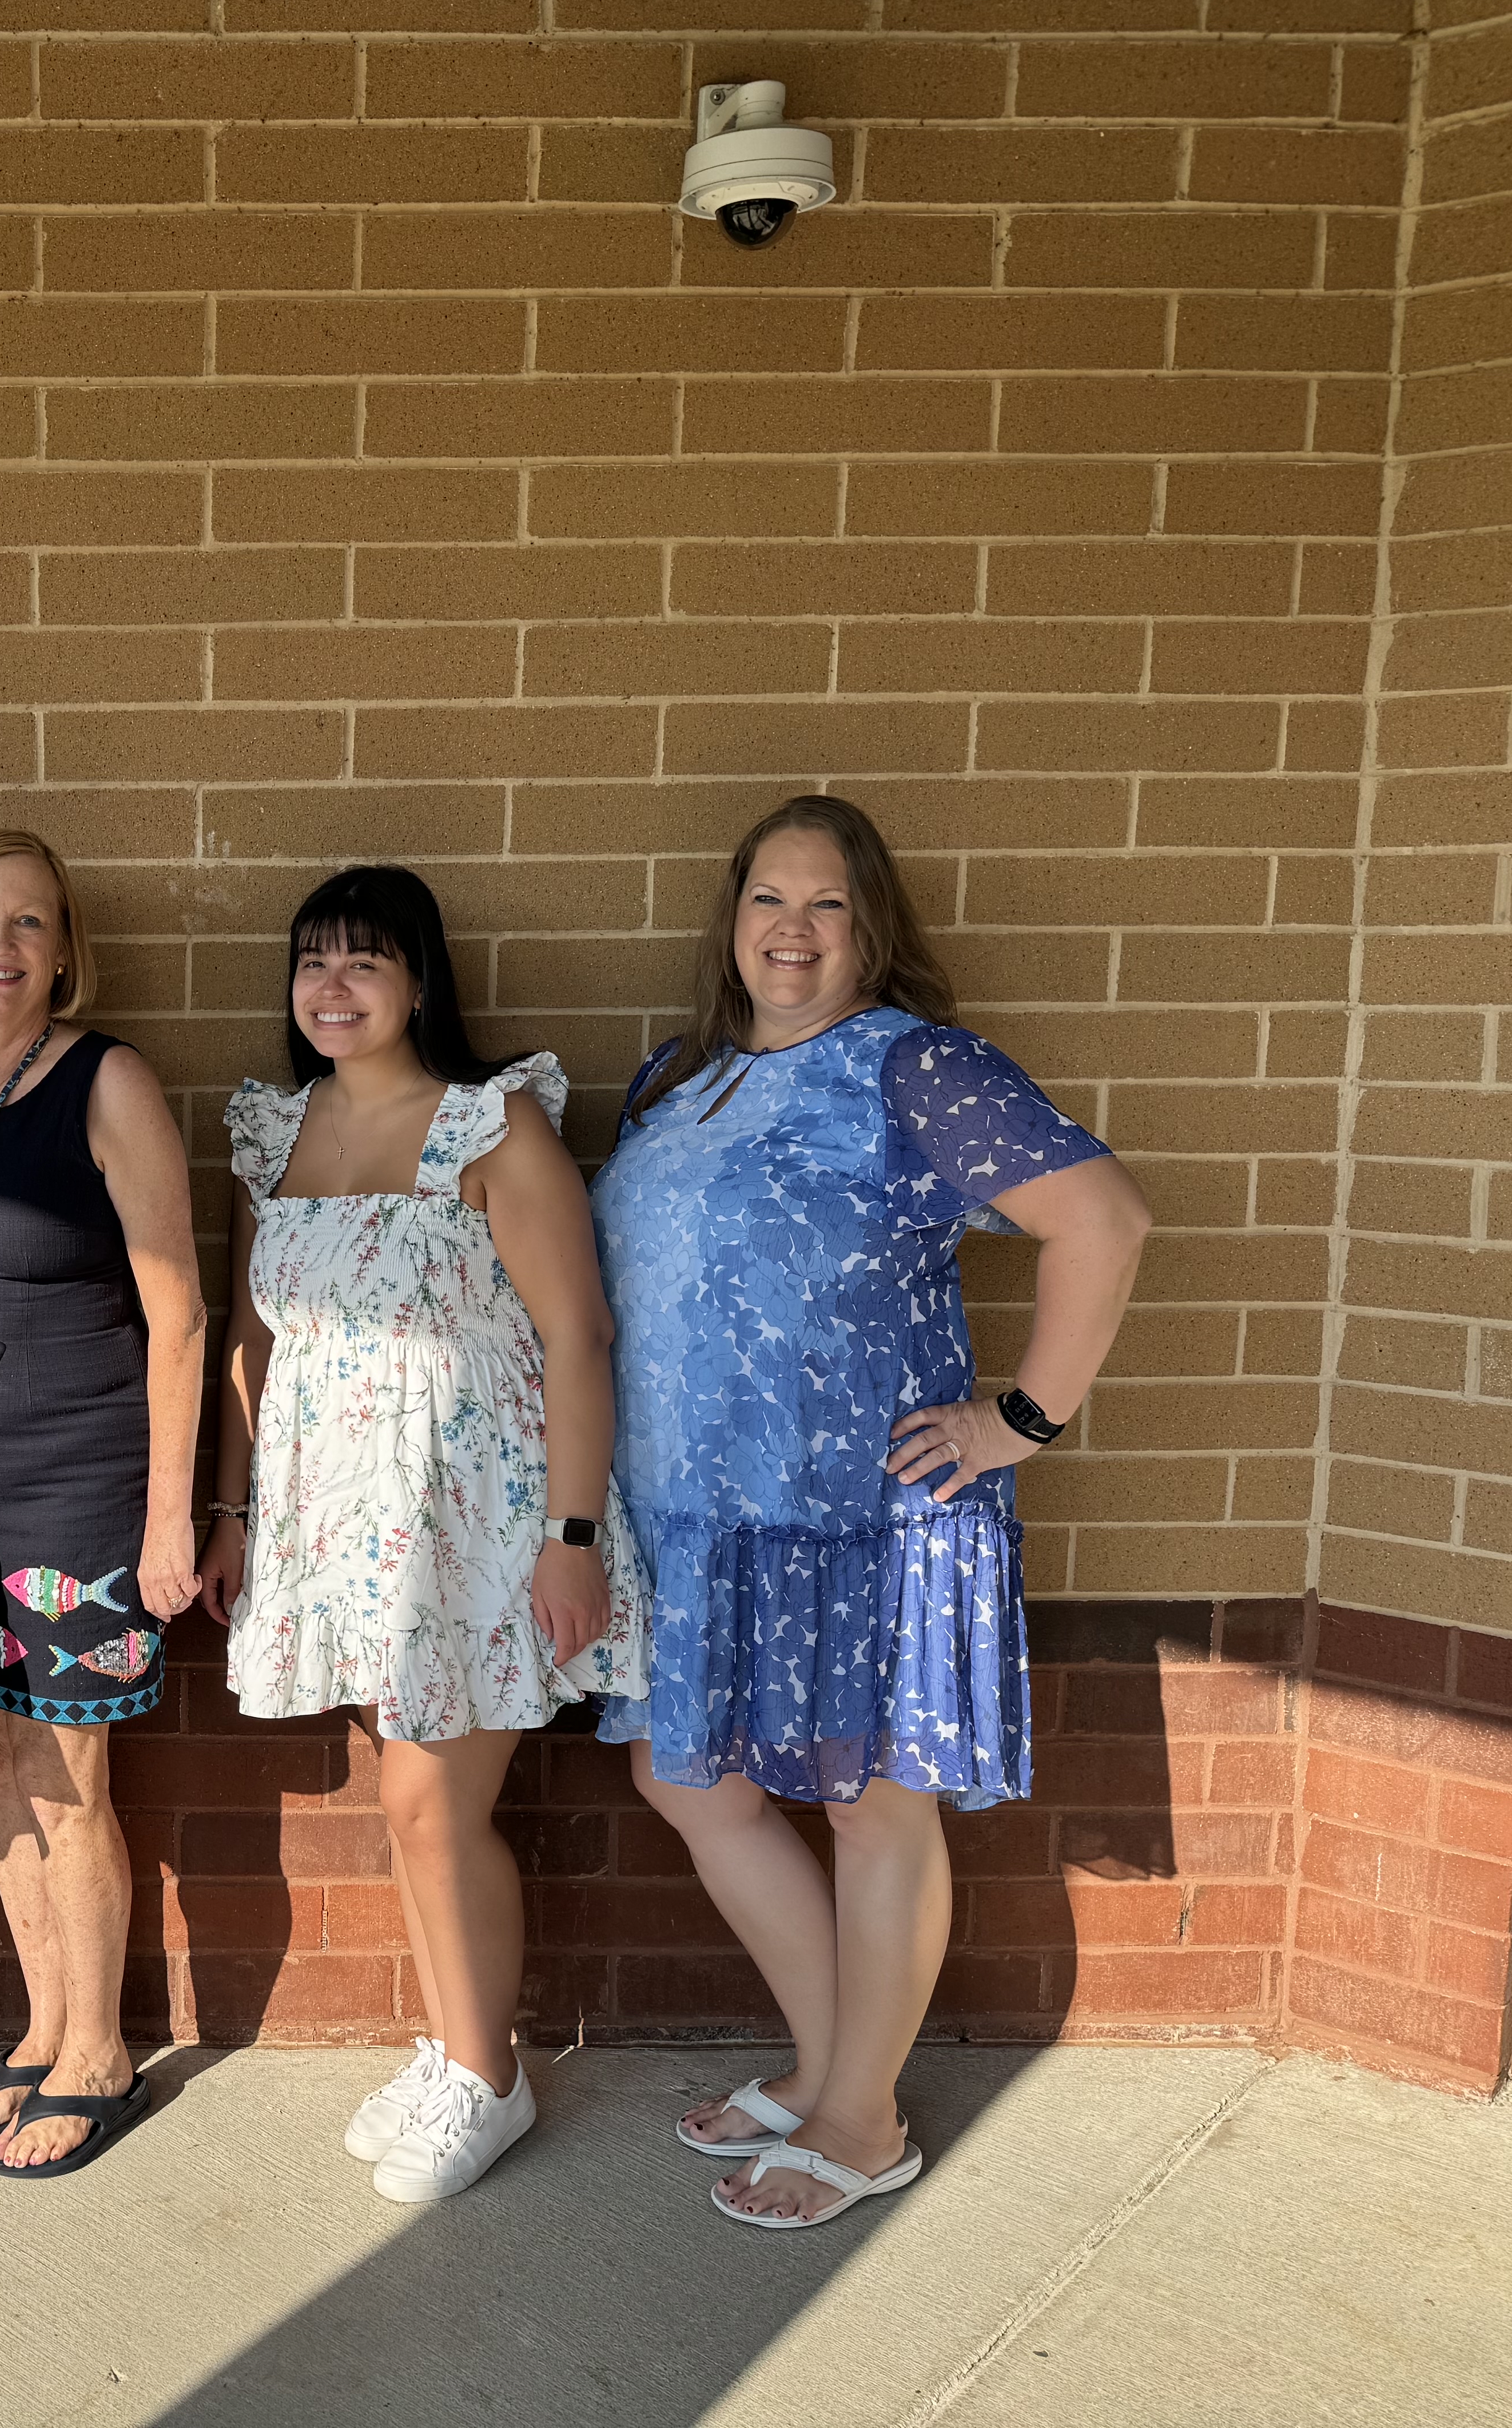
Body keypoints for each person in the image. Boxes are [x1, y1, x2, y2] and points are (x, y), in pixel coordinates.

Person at [592, 794, 1151, 2231]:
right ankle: (833, 2057)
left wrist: (1019, 1420)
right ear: (732, 922)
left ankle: (862, 2116)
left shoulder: (914, 1068)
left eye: (826, 904)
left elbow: (1103, 1219)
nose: (792, 930)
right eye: (768, 900)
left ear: (870, 928)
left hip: (866, 1515)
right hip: (699, 1518)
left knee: (872, 1808)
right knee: (686, 1777)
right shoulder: (678, 1076)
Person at [198, 865, 647, 2206]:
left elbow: (580, 1334)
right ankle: (456, 2048)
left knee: (428, 1804)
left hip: (483, 1520)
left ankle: (490, 2077)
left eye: (365, 963)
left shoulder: (490, 1126)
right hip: (345, 1529)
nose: (332, 989)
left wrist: (571, 1534)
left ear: (418, 982)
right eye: (312, 963)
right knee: (413, 1808)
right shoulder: (273, 1135)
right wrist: (232, 1514)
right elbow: (249, 1340)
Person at [0, 831, 203, 2176]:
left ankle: (104, 2053)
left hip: (84, 1491)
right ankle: (42, 2024)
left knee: (69, 1781)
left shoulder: (108, 1082)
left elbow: (180, 1313)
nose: (0, 945)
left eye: (29, 922)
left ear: (65, 948)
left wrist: (174, 1516)